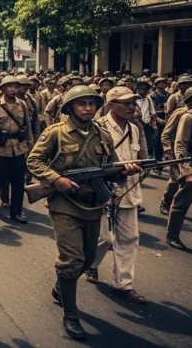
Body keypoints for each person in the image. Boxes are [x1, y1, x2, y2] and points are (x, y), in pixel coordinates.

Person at [27, 85, 141, 340]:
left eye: (92, 103)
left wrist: (125, 170)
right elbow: (34, 161)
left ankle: (61, 285)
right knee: (71, 261)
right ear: (70, 108)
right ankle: (71, 314)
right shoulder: (55, 132)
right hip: (64, 204)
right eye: (82, 104)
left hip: (93, 204)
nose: (88, 108)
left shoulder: (102, 134)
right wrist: (55, 179)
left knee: (88, 259)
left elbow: (109, 166)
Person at [85, 87, 148, 304]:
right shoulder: (96, 128)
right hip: (102, 190)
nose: (132, 107)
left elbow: (142, 158)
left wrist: (138, 167)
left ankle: (123, 284)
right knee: (105, 238)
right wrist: (116, 170)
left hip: (128, 190)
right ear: (110, 104)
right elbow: (89, 162)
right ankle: (91, 265)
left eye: (133, 103)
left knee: (130, 238)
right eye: (126, 103)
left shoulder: (135, 128)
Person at [0, 75, 33, 223]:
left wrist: (30, 143)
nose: (13, 89)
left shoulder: (22, 104)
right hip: (0, 148)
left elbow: (27, 125)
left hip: (18, 147)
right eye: (9, 86)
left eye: (15, 86)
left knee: (18, 181)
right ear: (3, 88)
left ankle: (16, 212)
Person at [166, 84, 192, 250]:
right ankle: (172, 236)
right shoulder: (190, 117)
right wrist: (187, 172)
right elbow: (180, 145)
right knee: (181, 204)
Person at [159, 85, 192, 216]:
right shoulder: (180, 113)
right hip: (176, 151)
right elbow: (166, 133)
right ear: (190, 99)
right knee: (176, 180)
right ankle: (166, 203)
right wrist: (167, 150)